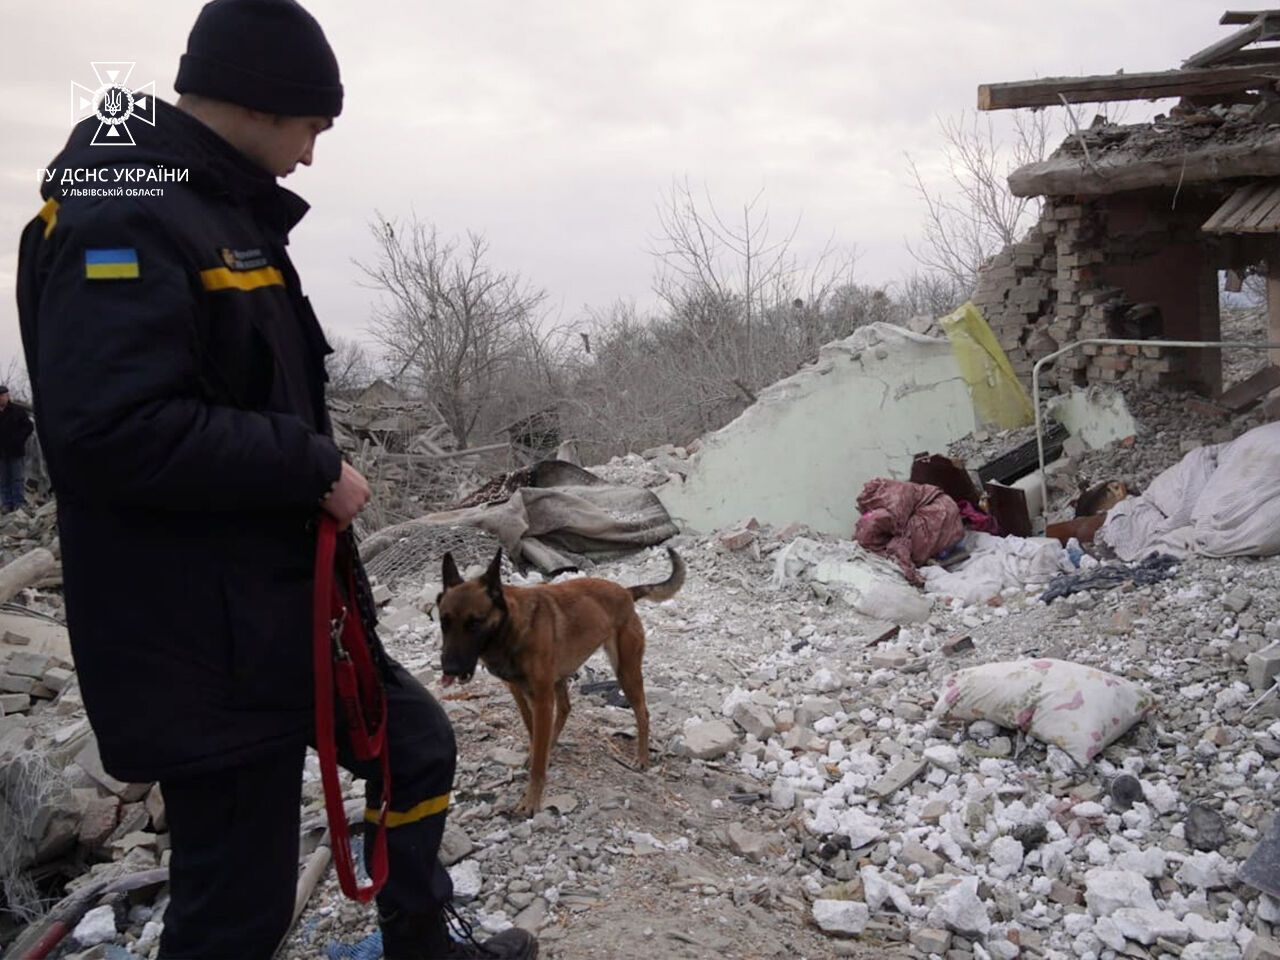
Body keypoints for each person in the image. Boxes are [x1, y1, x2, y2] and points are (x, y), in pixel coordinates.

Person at [16, 2, 537, 958]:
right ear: (263, 100)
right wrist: (310, 465)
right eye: (312, 128)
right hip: (195, 639)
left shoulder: (206, 206)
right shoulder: (120, 215)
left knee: (413, 740)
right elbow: (110, 430)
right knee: (238, 901)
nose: (309, 157)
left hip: (279, 613)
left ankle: (419, 939)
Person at [0, 386, 33, 512]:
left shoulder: (17, 410)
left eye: (3, 396)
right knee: (4, 479)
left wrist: (19, 439)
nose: (1, 398)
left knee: (17, 478)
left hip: (16, 450)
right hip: (1, 452)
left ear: (7, 396)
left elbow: (28, 427)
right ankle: (6, 504)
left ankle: (18, 502)